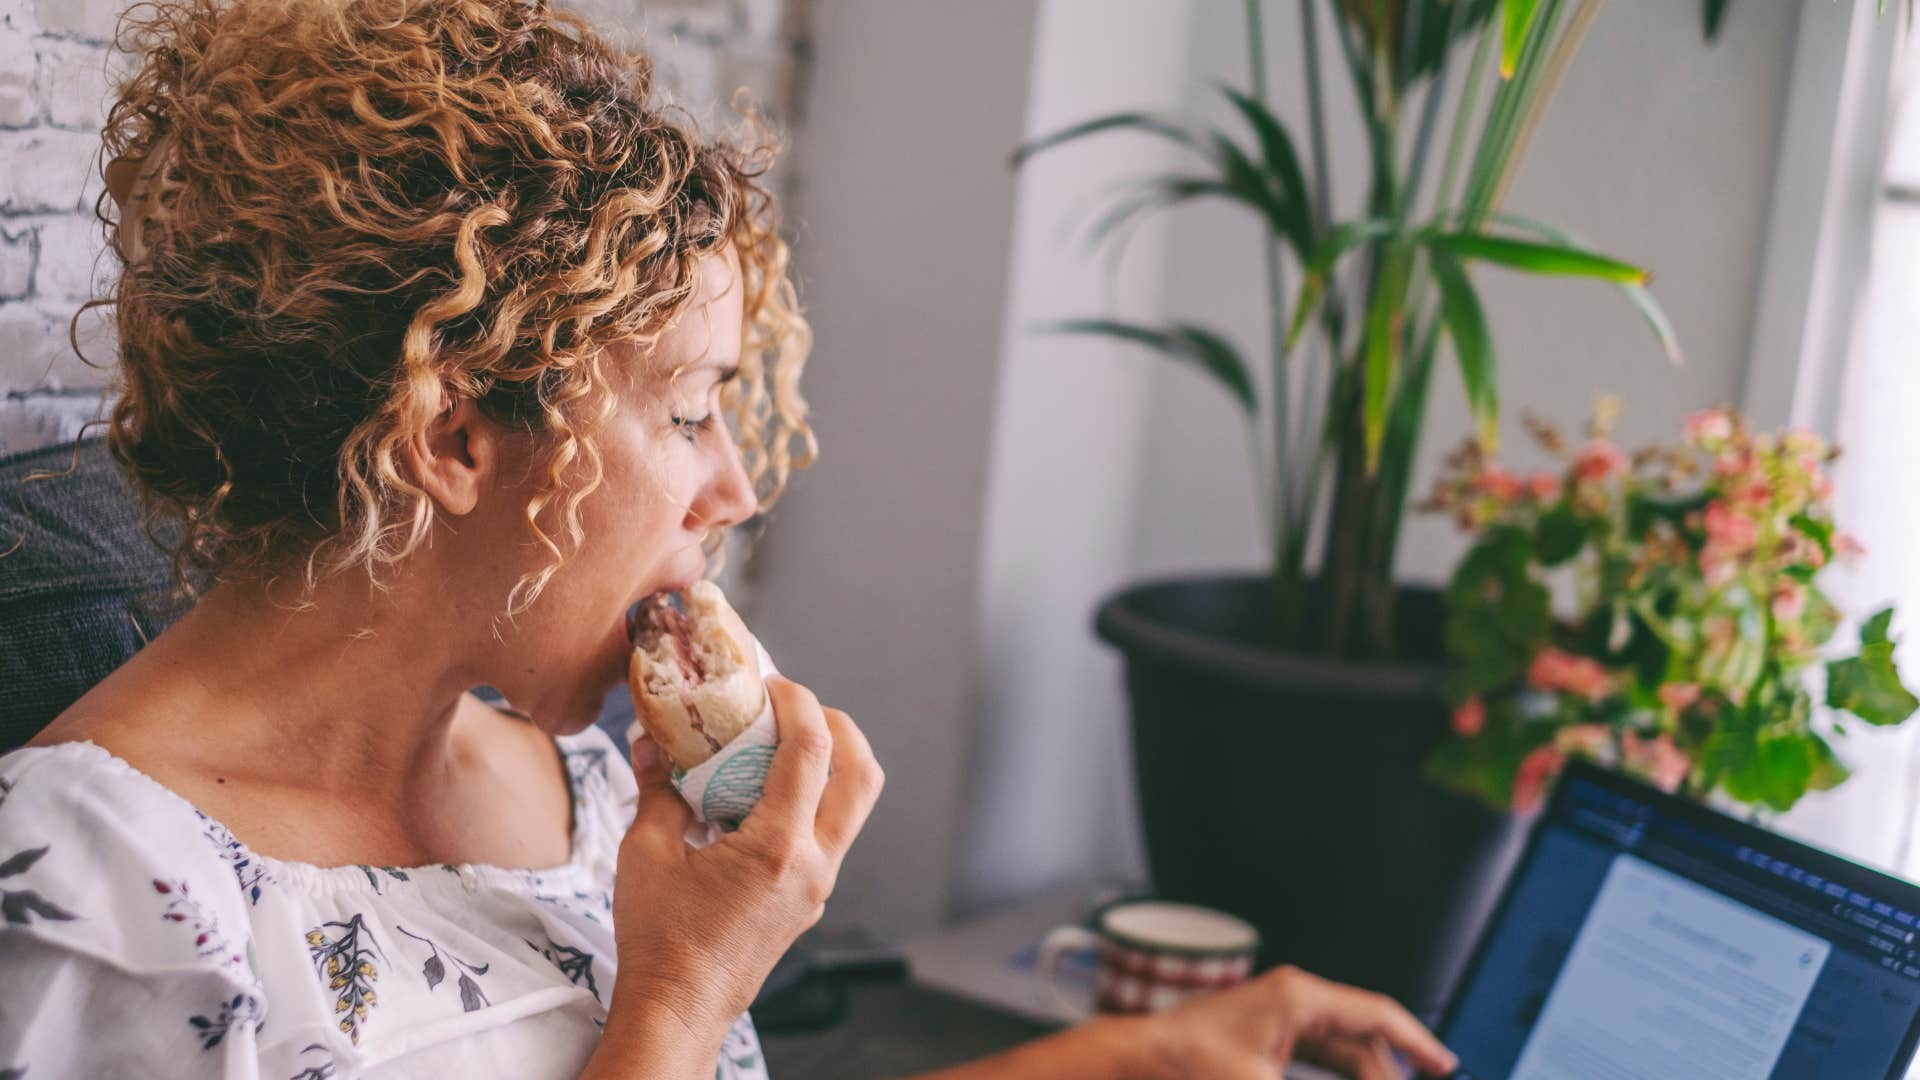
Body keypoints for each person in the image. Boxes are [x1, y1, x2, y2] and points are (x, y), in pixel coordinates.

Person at [0, 2, 1459, 1078]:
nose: (739, 484)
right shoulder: (96, 911)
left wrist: (1149, 1057)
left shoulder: (573, 782)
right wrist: (683, 997)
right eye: (691, 410)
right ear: (450, 440)